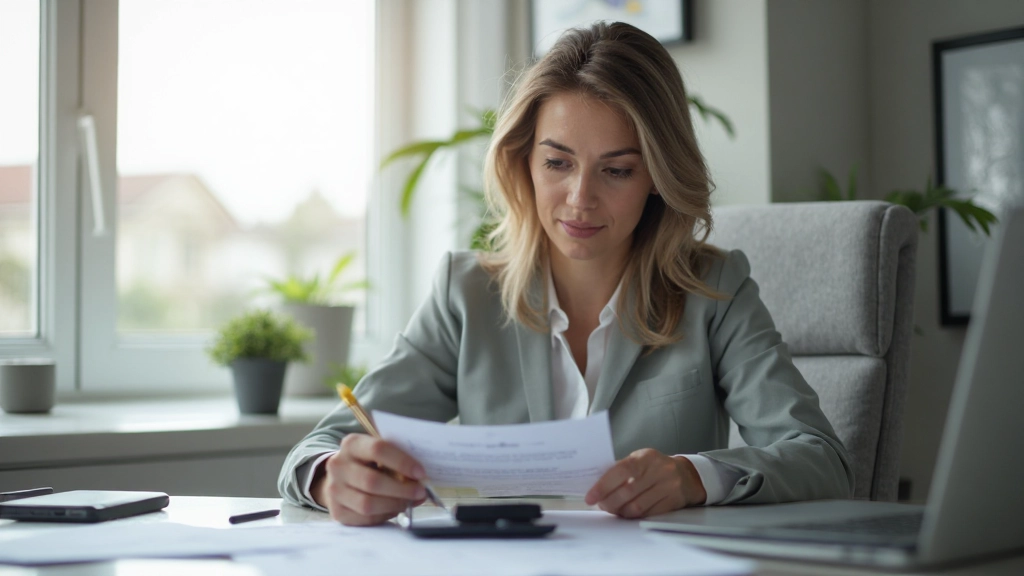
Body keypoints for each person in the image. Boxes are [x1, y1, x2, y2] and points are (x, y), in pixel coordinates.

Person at [278, 21, 853, 526]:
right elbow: (317, 448)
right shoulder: (466, 295)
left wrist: (692, 476)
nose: (580, 199)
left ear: (656, 174)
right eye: (557, 162)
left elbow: (821, 458)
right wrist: (333, 477)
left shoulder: (715, 293)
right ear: (523, 162)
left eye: (618, 170)